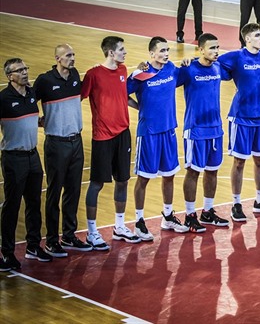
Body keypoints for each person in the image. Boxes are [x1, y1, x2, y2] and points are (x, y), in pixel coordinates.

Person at [218, 23, 260, 222]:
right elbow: (213, 62)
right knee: (239, 162)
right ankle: (236, 204)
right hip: (241, 117)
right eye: (256, 35)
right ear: (247, 39)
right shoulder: (236, 57)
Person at [127, 37, 189, 241]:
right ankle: (139, 221)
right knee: (143, 178)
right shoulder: (141, 74)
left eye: (167, 50)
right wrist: (139, 107)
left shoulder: (171, 69)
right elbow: (122, 93)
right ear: (151, 53)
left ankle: (168, 216)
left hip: (169, 131)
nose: (166, 53)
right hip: (149, 133)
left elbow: (185, 77)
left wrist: (187, 64)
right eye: (162, 50)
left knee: (169, 175)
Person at [33, 44, 92, 257]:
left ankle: (68, 234)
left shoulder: (75, 75)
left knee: (73, 191)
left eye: (74, 54)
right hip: (56, 144)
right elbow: (29, 101)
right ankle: (51, 240)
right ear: (57, 58)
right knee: (54, 191)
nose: (72, 58)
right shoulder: (45, 80)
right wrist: (36, 120)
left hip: (76, 141)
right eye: (68, 55)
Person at [81, 36, 139, 250]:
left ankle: (120, 226)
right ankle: (92, 232)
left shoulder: (123, 71)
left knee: (123, 180)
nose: (125, 53)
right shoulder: (93, 74)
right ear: (111, 53)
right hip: (102, 137)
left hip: (123, 133)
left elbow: (124, 97)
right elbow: (77, 98)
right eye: (122, 50)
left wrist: (143, 108)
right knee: (96, 183)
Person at [1, 58, 52, 271]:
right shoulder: (3, 99)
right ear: (9, 76)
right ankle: (7, 253)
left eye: (25, 69)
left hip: (33, 156)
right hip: (13, 158)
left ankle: (33, 246)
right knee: (12, 207)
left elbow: (33, 120)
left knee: (33, 203)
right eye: (19, 70)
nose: (24, 73)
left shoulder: (31, 94)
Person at [177, 33, 230, 229]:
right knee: (193, 172)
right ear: (200, 49)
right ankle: (190, 215)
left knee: (212, 171)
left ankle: (207, 211)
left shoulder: (218, 67)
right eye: (212, 48)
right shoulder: (188, 69)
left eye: (217, 47)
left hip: (216, 130)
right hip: (196, 129)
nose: (216, 51)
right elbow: (166, 79)